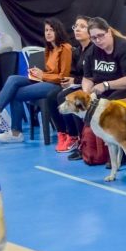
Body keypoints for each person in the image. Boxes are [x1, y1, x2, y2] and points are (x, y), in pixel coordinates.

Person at [0, 18, 72, 144]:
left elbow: (63, 76)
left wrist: (42, 76)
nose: (48, 33)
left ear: (58, 31)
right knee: (13, 79)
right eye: (46, 30)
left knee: (14, 93)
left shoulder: (65, 48)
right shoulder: (49, 49)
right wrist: (36, 74)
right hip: (45, 80)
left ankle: (15, 132)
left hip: (57, 85)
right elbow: (48, 72)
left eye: (51, 30)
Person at [46, 15, 93, 154]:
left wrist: (75, 81)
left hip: (89, 85)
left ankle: (75, 136)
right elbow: (74, 72)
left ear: (90, 31)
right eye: (76, 26)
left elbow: (92, 76)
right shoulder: (77, 50)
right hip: (77, 84)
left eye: (82, 27)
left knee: (63, 96)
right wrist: (70, 80)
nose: (77, 29)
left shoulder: (94, 50)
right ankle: (63, 133)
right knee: (51, 96)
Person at [82, 17, 126, 100]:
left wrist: (105, 85)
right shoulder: (92, 51)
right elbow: (87, 78)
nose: (98, 40)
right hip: (108, 88)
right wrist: (86, 93)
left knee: (110, 104)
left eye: (100, 35)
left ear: (109, 32)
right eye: (94, 38)